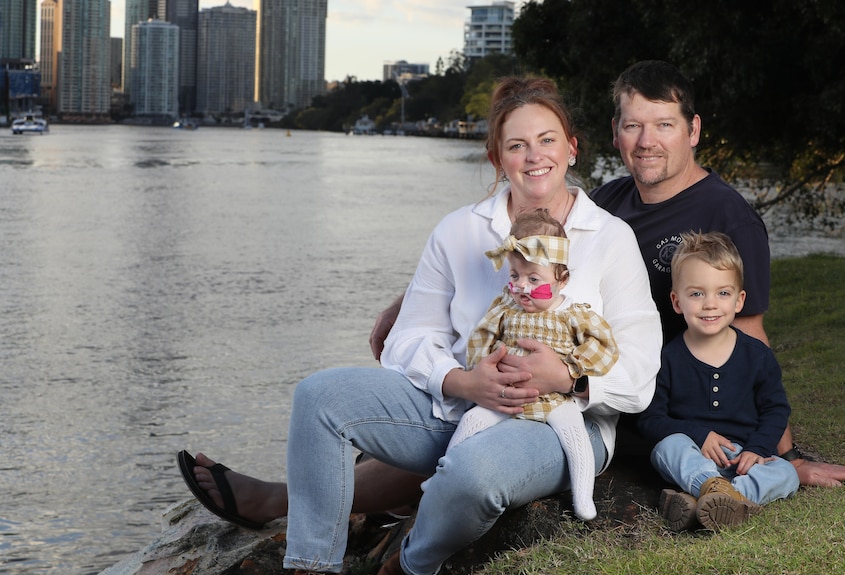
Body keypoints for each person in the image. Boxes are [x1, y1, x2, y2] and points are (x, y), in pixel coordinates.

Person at [178, 76, 662, 575]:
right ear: (498, 159)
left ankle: (410, 563)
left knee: (475, 474)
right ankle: (312, 564)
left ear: (571, 149)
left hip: (564, 423)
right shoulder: (459, 230)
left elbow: (641, 367)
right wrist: (463, 381)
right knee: (319, 397)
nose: (534, 155)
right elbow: (409, 338)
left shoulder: (609, 237)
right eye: (516, 145)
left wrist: (567, 378)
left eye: (547, 140)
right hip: (462, 404)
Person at [589, 59, 845, 488]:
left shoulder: (728, 217)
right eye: (632, 126)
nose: (646, 142)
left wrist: (786, 455)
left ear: (693, 130)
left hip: (685, 421)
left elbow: (751, 338)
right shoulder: (603, 204)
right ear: (615, 131)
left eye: (664, 125)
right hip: (611, 403)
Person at [448, 208, 619, 521]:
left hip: (555, 399)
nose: (522, 287)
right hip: (507, 396)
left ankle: (584, 499)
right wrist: (481, 367)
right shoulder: (505, 307)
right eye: (515, 276)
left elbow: (604, 346)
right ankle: (443, 477)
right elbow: (482, 337)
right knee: (472, 422)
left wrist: (572, 367)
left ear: (562, 280)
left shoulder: (574, 315)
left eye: (534, 278)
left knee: (576, 438)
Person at [637, 231, 799, 531]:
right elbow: (650, 419)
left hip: (743, 461)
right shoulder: (667, 358)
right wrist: (698, 435)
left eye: (722, 293)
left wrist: (758, 449)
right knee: (666, 448)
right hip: (693, 458)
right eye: (697, 293)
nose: (710, 304)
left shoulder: (757, 356)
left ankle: (711, 501)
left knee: (787, 473)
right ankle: (713, 491)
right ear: (676, 301)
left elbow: (775, 410)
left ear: (739, 301)